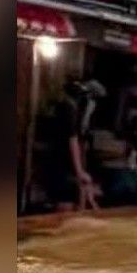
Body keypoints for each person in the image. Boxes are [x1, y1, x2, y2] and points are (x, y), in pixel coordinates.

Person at [45, 79, 105, 211]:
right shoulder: (68, 109)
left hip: (65, 166)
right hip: (62, 166)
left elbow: (78, 141)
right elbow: (72, 140)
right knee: (65, 204)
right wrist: (79, 171)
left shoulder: (71, 110)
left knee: (77, 198)